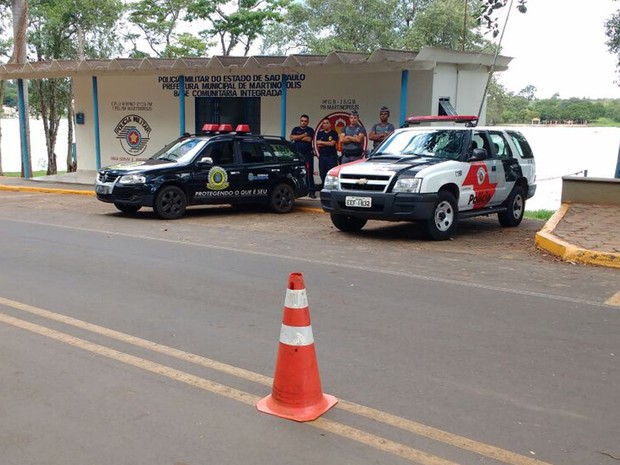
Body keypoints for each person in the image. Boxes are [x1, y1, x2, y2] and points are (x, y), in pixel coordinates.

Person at [290, 114, 316, 197]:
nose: (303, 122)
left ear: (308, 122)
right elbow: (291, 137)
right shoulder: (295, 129)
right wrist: (303, 135)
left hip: (307, 154)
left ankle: (311, 191)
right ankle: (297, 190)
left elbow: (309, 139)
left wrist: (297, 137)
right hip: (297, 155)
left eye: (305, 121)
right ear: (300, 121)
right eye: (302, 121)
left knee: (309, 173)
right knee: (296, 172)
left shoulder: (310, 130)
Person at [315, 118, 339, 186]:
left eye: (327, 123)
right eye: (324, 123)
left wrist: (322, 142)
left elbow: (332, 143)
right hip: (322, 157)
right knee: (322, 173)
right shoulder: (320, 133)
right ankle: (324, 187)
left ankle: (331, 188)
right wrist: (327, 143)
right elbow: (318, 143)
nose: (325, 125)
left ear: (330, 124)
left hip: (331, 157)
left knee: (332, 174)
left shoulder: (334, 133)